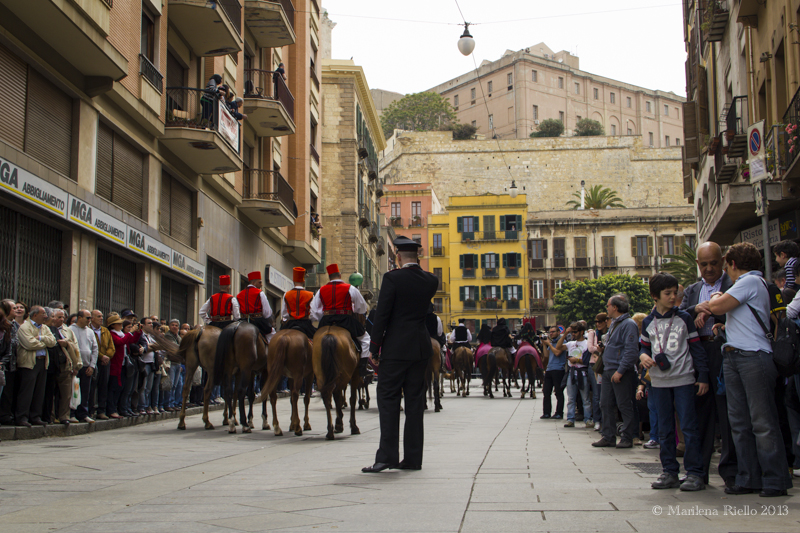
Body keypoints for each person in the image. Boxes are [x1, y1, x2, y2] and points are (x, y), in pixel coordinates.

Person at [696, 242, 793, 497]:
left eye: (725, 265)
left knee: (762, 422)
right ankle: (749, 477)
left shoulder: (750, 281)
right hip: (735, 355)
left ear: (733, 264)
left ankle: (774, 479)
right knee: (740, 422)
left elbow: (715, 307)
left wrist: (714, 297)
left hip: (752, 357)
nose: (725, 270)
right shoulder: (749, 284)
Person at [363, 236, 439, 472]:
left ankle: (387, 456)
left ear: (397, 257)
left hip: (395, 348)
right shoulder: (431, 280)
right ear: (418, 256)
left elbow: (382, 315)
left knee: (388, 399)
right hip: (420, 347)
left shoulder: (392, 278)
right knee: (415, 403)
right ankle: (413, 458)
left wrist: (374, 348)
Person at [639, 272, 709, 491]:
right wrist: (642, 355)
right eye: (667, 293)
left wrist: (703, 376)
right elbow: (644, 347)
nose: (672, 297)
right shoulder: (648, 322)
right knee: (665, 429)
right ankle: (669, 471)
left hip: (683, 379)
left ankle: (695, 473)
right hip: (659, 382)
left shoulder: (684, 318)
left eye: (674, 293)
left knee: (689, 426)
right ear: (655, 296)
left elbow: (696, 348)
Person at [679, 241, 737, 489]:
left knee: (728, 415)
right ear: (698, 265)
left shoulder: (733, 285)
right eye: (704, 264)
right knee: (700, 415)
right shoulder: (692, 291)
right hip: (698, 354)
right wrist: (696, 308)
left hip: (724, 351)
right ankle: (698, 472)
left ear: (722, 260)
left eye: (714, 263)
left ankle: (732, 473)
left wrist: (715, 309)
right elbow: (679, 316)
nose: (710, 268)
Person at [593, 294, 639, 449]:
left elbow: (631, 351)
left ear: (615, 307)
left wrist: (621, 370)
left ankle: (627, 437)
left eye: (608, 305)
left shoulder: (628, 324)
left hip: (620, 371)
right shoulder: (614, 324)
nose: (607, 309)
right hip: (608, 369)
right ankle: (608, 436)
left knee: (624, 404)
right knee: (605, 403)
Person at [310, 264, 371, 375]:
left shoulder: (321, 290)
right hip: (346, 320)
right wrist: (353, 310)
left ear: (329, 277)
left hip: (326, 320)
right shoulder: (350, 288)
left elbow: (314, 311)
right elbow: (361, 307)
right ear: (340, 275)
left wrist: (322, 317)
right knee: (366, 339)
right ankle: (362, 368)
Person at [15, 306, 57, 427]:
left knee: (39, 391)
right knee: (26, 391)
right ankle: (22, 417)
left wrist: (40, 338)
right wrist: (44, 343)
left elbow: (52, 342)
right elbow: (29, 344)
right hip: (29, 363)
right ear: (34, 315)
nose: (46, 316)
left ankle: (35, 416)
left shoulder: (45, 328)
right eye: (43, 314)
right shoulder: (25, 327)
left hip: (43, 362)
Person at [45, 309, 80, 425]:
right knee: (51, 392)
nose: (61, 319)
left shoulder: (67, 330)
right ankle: (51, 416)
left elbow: (75, 346)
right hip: (51, 365)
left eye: (63, 317)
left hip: (65, 364)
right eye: (58, 317)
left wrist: (76, 365)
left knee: (66, 393)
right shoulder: (46, 329)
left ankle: (64, 416)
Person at [106, 316, 142, 419]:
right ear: (113, 325)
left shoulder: (122, 334)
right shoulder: (112, 334)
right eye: (118, 323)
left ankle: (117, 408)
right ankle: (111, 409)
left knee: (121, 387)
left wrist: (137, 332)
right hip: (115, 365)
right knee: (113, 387)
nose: (121, 325)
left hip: (123, 364)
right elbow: (120, 342)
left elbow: (132, 340)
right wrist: (130, 332)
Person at [557, 322, 592, 428]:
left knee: (585, 398)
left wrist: (576, 360)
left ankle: (588, 419)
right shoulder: (571, 343)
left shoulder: (587, 344)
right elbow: (558, 347)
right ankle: (570, 419)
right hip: (571, 373)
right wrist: (564, 334)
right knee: (571, 398)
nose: (573, 334)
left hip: (583, 373)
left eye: (575, 332)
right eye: (572, 332)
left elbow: (588, 360)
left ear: (581, 332)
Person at [70, 310, 98, 423]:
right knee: (74, 391)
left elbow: (95, 349)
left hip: (87, 366)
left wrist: (92, 366)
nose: (89, 320)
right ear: (79, 317)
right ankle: (72, 413)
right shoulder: (71, 330)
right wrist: (73, 365)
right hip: (76, 366)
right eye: (87, 318)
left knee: (86, 391)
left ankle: (83, 413)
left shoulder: (90, 332)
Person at [89, 310, 115, 420]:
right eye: (98, 316)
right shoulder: (89, 330)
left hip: (105, 362)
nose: (101, 318)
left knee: (103, 386)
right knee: (92, 386)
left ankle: (101, 410)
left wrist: (107, 356)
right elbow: (92, 347)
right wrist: (101, 356)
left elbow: (111, 346)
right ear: (92, 318)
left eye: (102, 316)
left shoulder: (105, 331)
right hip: (94, 361)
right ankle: (90, 410)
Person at [237, 271, 275, 343]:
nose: (261, 285)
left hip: (242, 321)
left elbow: (237, 311)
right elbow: (267, 313)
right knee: (272, 333)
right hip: (257, 321)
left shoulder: (239, 294)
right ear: (253, 283)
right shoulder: (260, 293)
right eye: (259, 282)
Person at [280, 267, 317, 339]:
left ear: (293, 281)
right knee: (316, 341)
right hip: (306, 324)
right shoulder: (310, 295)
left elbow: (284, 314)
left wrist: (291, 317)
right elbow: (313, 313)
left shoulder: (286, 294)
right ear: (304, 281)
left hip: (291, 324)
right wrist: (310, 320)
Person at [586, 312, 608, 431]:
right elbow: (590, 348)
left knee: (606, 395)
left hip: (607, 364)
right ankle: (597, 420)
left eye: (600, 321)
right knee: (596, 394)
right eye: (596, 322)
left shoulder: (610, 332)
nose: (598, 324)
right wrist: (601, 350)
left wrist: (600, 350)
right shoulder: (593, 334)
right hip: (595, 366)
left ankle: (607, 421)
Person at [540, 326, 566, 420]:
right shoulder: (551, 342)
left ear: (559, 332)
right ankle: (546, 412)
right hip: (549, 369)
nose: (551, 334)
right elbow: (546, 355)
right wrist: (544, 344)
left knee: (558, 392)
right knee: (546, 392)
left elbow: (557, 353)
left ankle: (559, 412)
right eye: (550, 332)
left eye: (553, 332)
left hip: (558, 369)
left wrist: (549, 344)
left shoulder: (562, 342)